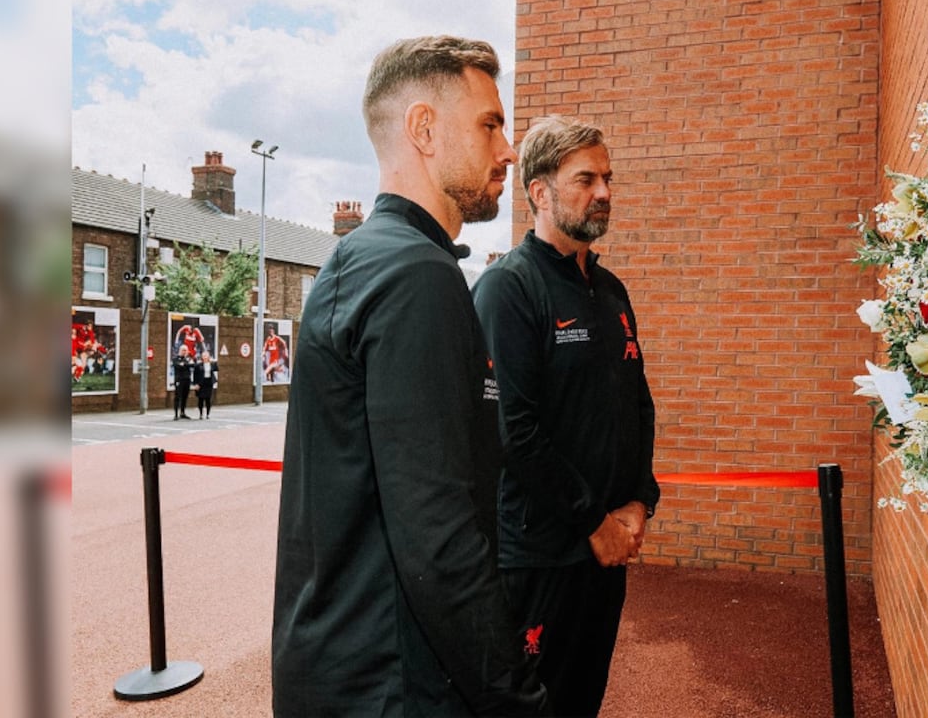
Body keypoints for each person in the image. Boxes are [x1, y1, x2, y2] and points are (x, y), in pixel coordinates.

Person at [272, 35, 548, 717]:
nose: (508, 149)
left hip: (339, 670)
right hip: (392, 685)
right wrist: (517, 699)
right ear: (423, 129)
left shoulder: (364, 259)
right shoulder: (415, 277)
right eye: (490, 124)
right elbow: (438, 535)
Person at [472, 115, 661, 717]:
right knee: (532, 707)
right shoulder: (509, 288)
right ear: (540, 192)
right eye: (586, 179)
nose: (604, 192)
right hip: (540, 558)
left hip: (606, 551)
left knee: (583, 700)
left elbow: (638, 403)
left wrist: (638, 501)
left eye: (607, 178)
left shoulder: (611, 291)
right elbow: (515, 434)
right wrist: (593, 523)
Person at [171, 343, 194, 420]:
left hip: (187, 380)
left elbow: (192, 365)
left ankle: (182, 412)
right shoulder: (175, 359)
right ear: (180, 350)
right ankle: (176, 414)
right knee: (178, 397)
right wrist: (185, 364)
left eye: (186, 350)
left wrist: (184, 364)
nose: (185, 352)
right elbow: (177, 366)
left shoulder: (188, 359)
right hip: (179, 380)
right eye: (183, 350)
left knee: (185, 397)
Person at [193, 350, 217, 419]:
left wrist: (214, 362)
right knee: (200, 399)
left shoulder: (211, 364)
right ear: (202, 357)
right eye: (204, 356)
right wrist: (196, 384)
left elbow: (216, 369)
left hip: (209, 383)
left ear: (209, 356)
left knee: (208, 399)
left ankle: (208, 414)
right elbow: (195, 375)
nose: (205, 357)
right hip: (201, 383)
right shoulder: (198, 365)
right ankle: (201, 414)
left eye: (206, 356)